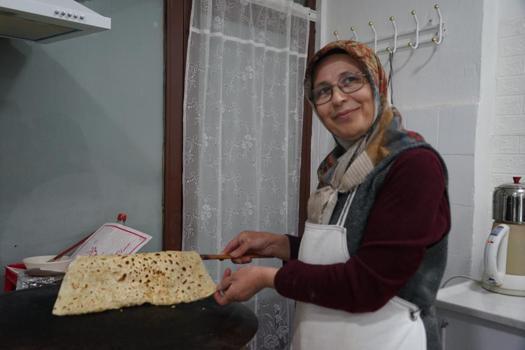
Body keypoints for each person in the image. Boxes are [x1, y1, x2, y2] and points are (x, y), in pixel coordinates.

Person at [214, 40, 450, 350]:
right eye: (323, 91)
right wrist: (276, 245)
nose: (338, 98)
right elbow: (345, 253)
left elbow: (367, 284)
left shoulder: (413, 166)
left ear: (377, 84)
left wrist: (266, 278)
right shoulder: (336, 169)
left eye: (350, 80)